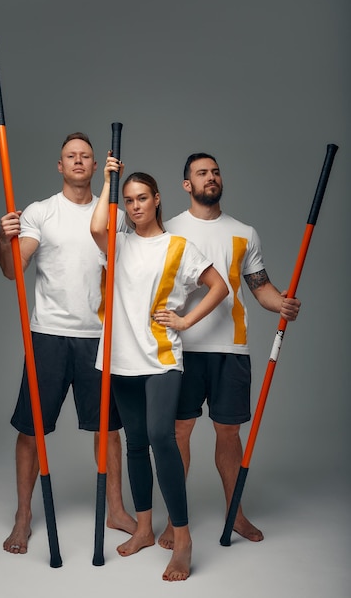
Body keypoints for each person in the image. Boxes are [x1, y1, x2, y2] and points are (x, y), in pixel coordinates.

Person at [0, 132, 136, 556]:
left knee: (110, 430)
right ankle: (23, 516)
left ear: (97, 167)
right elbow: (12, 271)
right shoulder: (41, 212)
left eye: (85, 157)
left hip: (100, 335)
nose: (78, 161)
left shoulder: (113, 212)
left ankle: (115, 508)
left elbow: (134, 269)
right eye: (70, 156)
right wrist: (5, 241)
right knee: (31, 429)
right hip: (49, 335)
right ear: (60, 166)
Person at [90, 156, 229, 581]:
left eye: (142, 198)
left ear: (157, 200)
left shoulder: (179, 247)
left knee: (159, 437)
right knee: (134, 443)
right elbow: (97, 227)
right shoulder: (118, 241)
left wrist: (186, 321)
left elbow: (219, 286)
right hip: (118, 358)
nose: (134, 207)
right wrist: (110, 180)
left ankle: (182, 538)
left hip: (161, 358)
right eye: (128, 200)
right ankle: (145, 528)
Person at [158, 152, 301, 549]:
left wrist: (281, 302)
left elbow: (260, 287)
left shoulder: (244, 232)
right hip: (181, 349)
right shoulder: (169, 230)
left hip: (231, 349)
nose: (211, 177)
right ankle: (175, 520)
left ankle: (235, 512)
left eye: (215, 172)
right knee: (178, 432)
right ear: (187, 185)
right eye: (202, 173)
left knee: (229, 432)